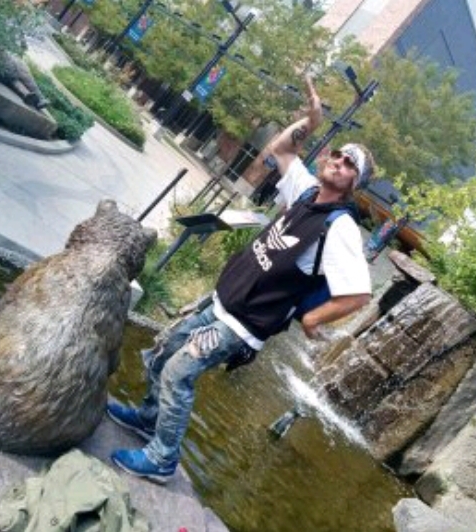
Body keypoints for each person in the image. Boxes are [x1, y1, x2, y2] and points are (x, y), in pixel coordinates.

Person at [108, 76, 375, 484]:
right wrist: (311, 122)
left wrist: (312, 319)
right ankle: (149, 417)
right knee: (165, 351)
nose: (338, 162)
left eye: (349, 165)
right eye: (338, 155)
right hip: (221, 301)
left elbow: (357, 294)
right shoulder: (306, 192)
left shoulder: (340, 227)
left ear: (355, 184)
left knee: (179, 372)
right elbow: (282, 149)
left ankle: (163, 457)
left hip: (242, 324)